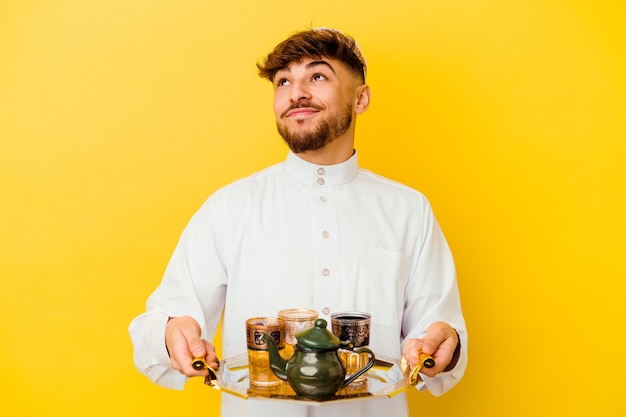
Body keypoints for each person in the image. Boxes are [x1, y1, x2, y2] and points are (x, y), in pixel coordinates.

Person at [129, 27, 467, 417]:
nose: (295, 93)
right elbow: (156, 325)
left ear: (361, 98)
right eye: (283, 81)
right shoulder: (229, 208)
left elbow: (442, 334)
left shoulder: (409, 210)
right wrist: (173, 332)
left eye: (317, 76)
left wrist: (445, 344)